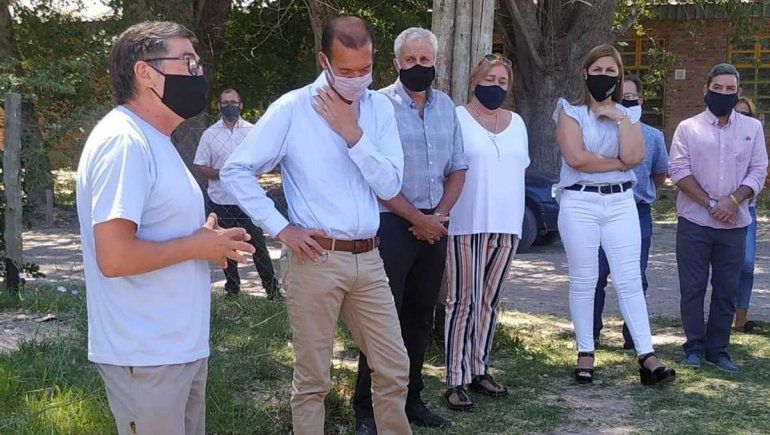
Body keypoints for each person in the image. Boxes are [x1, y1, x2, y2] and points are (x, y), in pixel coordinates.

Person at [220, 16, 412, 435]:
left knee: (395, 368)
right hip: (315, 258)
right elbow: (236, 169)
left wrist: (352, 133)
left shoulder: (380, 108)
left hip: (369, 257)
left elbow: (390, 185)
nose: (357, 79)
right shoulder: (293, 108)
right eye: (346, 70)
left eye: (365, 69)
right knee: (312, 380)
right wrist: (280, 227)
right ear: (324, 61)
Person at [76, 21, 255, 435]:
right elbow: (114, 257)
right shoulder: (124, 141)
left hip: (176, 349)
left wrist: (204, 238)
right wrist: (197, 245)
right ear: (145, 72)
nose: (198, 72)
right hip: (146, 354)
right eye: (187, 62)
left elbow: (163, 233)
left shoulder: (156, 140)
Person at [351, 27, 467, 433]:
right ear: (396, 62)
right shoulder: (376, 105)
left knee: (419, 316)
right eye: (410, 60)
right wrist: (417, 219)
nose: (419, 66)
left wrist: (438, 216)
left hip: (436, 226)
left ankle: (411, 399)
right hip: (392, 225)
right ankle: (367, 408)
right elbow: (372, 173)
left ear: (435, 62)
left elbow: (458, 168)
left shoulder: (447, 107)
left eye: (425, 60)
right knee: (382, 319)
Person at [553, 44, 675, 386]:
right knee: (585, 279)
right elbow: (576, 159)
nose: (603, 76)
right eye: (598, 70)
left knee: (629, 279)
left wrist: (620, 118)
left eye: (611, 71)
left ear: (619, 77)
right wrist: (619, 163)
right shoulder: (569, 112)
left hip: (621, 203)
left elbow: (636, 156)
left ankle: (647, 356)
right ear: (585, 72)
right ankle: (586, 352)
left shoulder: (628, 114)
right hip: (579, 202)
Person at [669, 63, 768, 373]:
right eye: (717, 88)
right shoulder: (687, 128)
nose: (723, 93)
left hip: (735, 224)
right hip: (694, 222)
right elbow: (678, 170)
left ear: (738, 92)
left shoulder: (752, 129)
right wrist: (711, 203)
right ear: (706, 90)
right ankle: (693, 347)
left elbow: (759, 170)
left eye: (730, 89)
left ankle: (718, 350)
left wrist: (734, 200)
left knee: (726, 289)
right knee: (693, 288)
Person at [443, 53, 527, 411]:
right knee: (463, 301)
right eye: (489, 79)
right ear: (475, 80)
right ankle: (455, 378)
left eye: (502, 81)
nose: (496, 86)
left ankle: (479, 368)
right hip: (467, 222)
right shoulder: (457, 118)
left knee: (490, 301)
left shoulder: (517, 123)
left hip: (507, 225)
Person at [593, 74, 669, 349]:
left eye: (630, 97)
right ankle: (590, 335)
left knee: (635, 276)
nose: (624, 102)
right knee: (595, 275)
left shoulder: (653, 136)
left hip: (637, 212)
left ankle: (633, 338)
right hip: (601, 209)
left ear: (640, 100)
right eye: (620, 97)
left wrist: (641, 193)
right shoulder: (598, 131)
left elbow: (659, 174)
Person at [194, 88, 281, 299]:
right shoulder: (209, 135)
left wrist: (243, 175)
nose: (229, 106)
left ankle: (272, 292)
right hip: (220, 201)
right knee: (226, 247)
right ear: (219, 106)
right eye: (225, 103)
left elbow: (263, 162)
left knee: (258, 245)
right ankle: (232, 291)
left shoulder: (253, 132)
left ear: (241, 105)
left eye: (233, 102)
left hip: (247, 201)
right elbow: (200, 165)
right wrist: (224, 175)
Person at [732, 96, 762, 334]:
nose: (742, 118)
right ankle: (719, 315)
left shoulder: (755, 139)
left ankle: (741, 318)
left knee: (747, 263)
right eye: (738, 113)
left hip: (747, 209)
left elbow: (760, 171)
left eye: (746, 114)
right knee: (722, 266)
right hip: (718, 210)